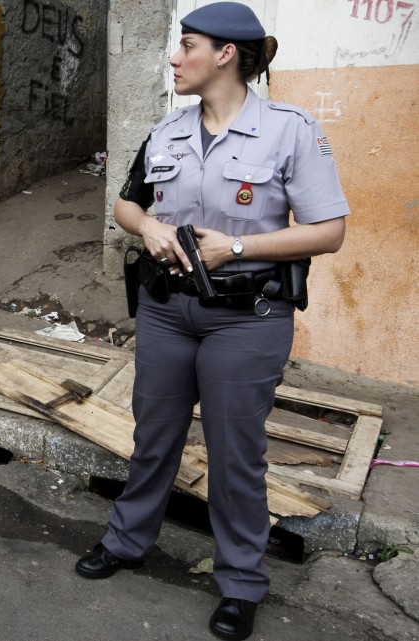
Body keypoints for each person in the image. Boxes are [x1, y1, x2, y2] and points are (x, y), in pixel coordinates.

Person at [74, 3, 348, 640]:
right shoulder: (167, 132)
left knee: (234, 457)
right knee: (154, 437)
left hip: (247, 320)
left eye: (185, 44)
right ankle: (126, 541)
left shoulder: (290, 130)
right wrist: (148, 225)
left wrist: (239, 247)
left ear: (225, 53)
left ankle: (242, 584)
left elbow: (329, 230)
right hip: (168, 312)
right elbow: (126, 202)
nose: (174, 56)